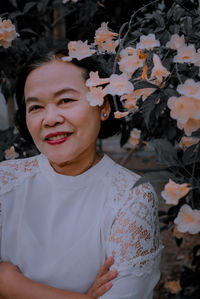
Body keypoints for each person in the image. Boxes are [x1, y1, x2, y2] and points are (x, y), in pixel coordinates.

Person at [0, 47, 163, 299]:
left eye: (66, 100)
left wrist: (10, 284)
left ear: (103, 106)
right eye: (35, 107)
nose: (50, 119)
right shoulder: (4, 182)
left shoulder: (131, 198)